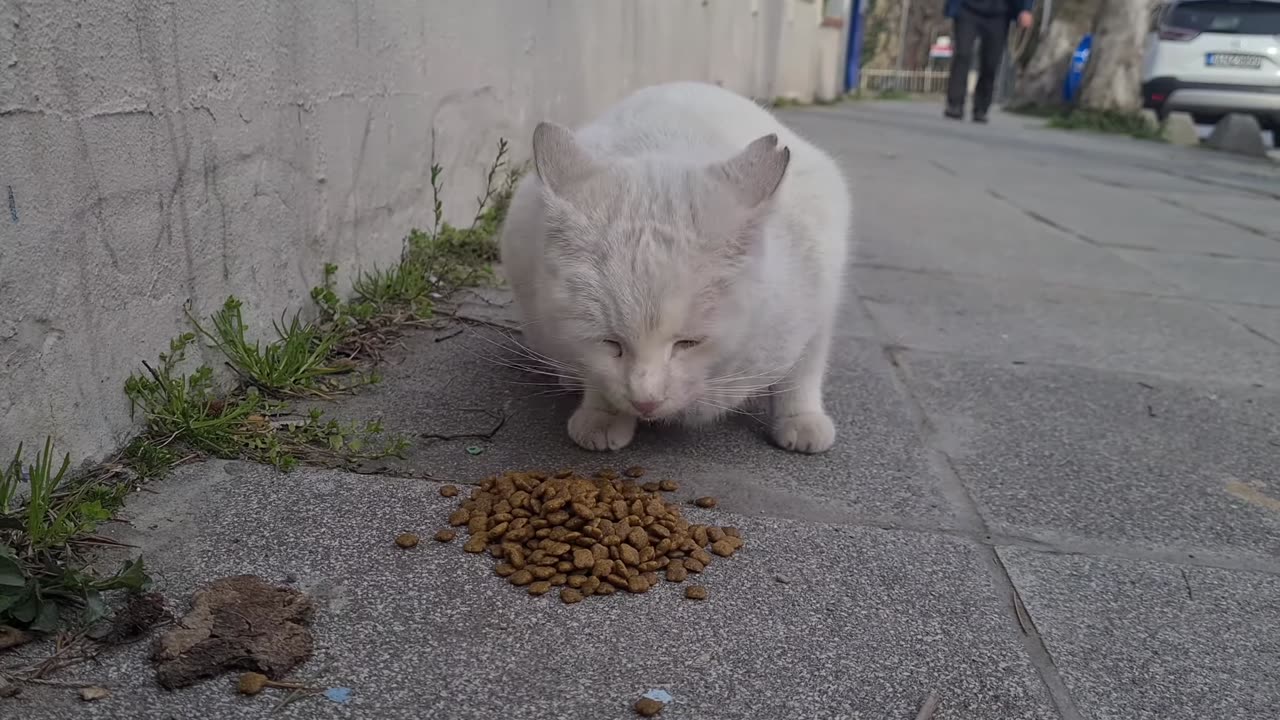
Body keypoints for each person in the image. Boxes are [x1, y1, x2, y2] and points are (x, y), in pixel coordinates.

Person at [943, 0, 1034, 123]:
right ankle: (955, 105)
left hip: (999, 14)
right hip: (967, 9)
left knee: (990, 62)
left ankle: (981, 108)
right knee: (962, 55)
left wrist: (1026, 9)